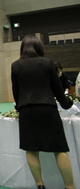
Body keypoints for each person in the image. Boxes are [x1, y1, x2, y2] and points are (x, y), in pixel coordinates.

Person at [12, 36, 74, 189]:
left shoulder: (16, 65)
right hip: (47, 109)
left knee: (31, 149)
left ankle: (40, 185)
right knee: (59, 149)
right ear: (39, 47)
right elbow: (57, 89)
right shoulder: (47, 63)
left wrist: (19, 107)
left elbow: (16, 92)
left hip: (26, 110)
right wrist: (66, 104)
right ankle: (70, 186)